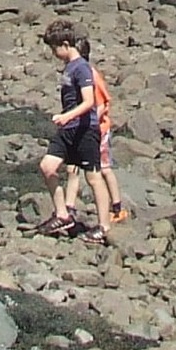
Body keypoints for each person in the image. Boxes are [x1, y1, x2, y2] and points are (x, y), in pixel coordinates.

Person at [34, 20, 113, 243]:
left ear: (66, 44)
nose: (53, 53)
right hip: (68, 130)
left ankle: (104, 225)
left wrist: (68, 115)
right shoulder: (69, 67)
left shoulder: (82, 68)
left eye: (54, 48)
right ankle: (62, 213)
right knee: (47, 167)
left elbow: (90, 101)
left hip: (85, 128)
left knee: (93, 177)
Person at [60, 35, 131, 225]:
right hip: (82, 128)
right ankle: (69, 207)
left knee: (103, 169)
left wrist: (89, 121)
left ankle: (116, 207)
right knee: (73, 168)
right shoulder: (76, 72)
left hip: (97, 129)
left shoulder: (89, 74)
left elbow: (102, 103)